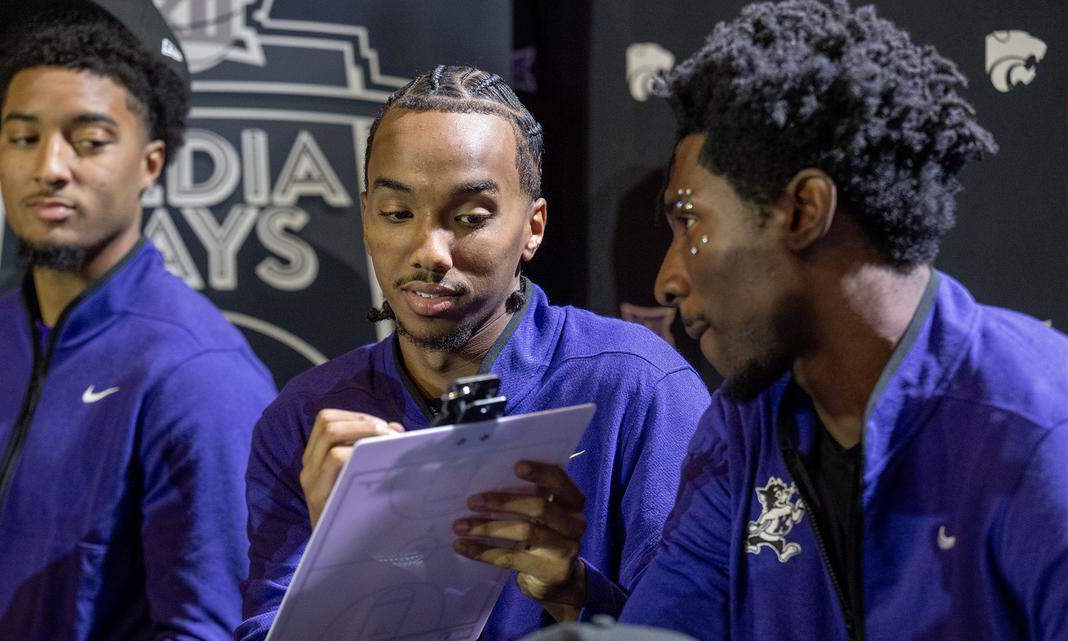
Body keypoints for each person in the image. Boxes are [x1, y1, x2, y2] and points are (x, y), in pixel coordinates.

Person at [597, 1, 1067, 640]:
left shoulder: (1039, 432)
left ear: (804, 210)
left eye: (690, 222)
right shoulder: (743, 426)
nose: (666, 280)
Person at [238, 66, 712, 641]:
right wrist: (341, 572)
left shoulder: (638, 389)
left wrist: (570, 589)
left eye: (468, 218)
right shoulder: (308, 420)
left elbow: (698, 629)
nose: (428, 251)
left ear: (532, 227)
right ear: (366, 217)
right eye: (396, 214)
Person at [0, 1, 276, 639]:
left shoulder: (199, 377)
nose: (49, 168)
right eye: (23, 137)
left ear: (151, 163)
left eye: (88, 141)